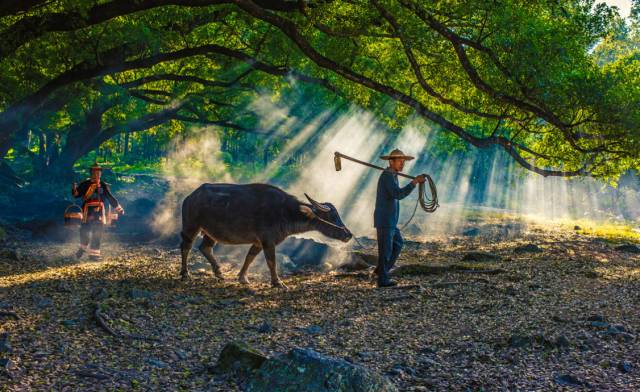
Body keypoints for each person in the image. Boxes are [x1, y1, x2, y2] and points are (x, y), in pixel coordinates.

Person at [373, 149, 426, 287]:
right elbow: (398, 194)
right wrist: (414, 182)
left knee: (398, 244)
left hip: (390, 221)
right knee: (386, 251)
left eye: (403, 162)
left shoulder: (393, 175)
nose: (402, 164)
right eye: (399, 161)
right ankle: (382, 280)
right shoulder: (387, 176)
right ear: (391, 161)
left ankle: (381, 271)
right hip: (385, 220)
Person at [71, 163, 124, 260]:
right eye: (95, 171)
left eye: (99, 171)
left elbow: (109, 197)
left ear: (101, 173)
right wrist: (74, 189)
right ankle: (82, 248)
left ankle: (94, 255)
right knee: (85, 230)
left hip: (99, 211)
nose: (97, 173)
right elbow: (76, 195)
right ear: (91, 172)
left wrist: (118, 208)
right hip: (87, 210)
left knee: (97, 232)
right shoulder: (85, 184)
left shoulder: (103, 185)